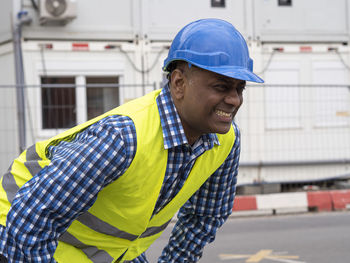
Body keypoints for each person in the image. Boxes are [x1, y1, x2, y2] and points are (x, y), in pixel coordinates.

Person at [0, 18, 263, 263]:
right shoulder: (123, 138)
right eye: (221, 87)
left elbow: (204, 218)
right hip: (15, 226)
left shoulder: (226, 141)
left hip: (105, 250)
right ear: (179, 83)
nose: (234, 100)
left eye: (239, 88)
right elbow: (30, 221)